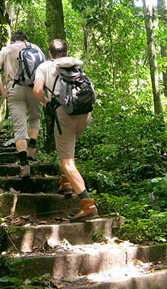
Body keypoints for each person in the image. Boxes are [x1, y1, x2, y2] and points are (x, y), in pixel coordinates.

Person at [33, 38, 99, 222]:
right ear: (67, 54)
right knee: (69, 148)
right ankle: (66, 182)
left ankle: (88, 204)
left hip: (64, 114)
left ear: (50, 54)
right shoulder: (76, 65)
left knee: (67, 162)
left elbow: (37, 90)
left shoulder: (44, 66)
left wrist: (46, 102)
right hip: (84, 113)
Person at [0, 31, 42, 178]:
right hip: (34, 88)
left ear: (13, 41)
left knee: (19, 126)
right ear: (25, 40)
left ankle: (24, 165)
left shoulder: (6, 49)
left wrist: (3, 90)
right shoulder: (35, 48)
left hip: (14, 88)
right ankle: (32, 147)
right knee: (34, 117)